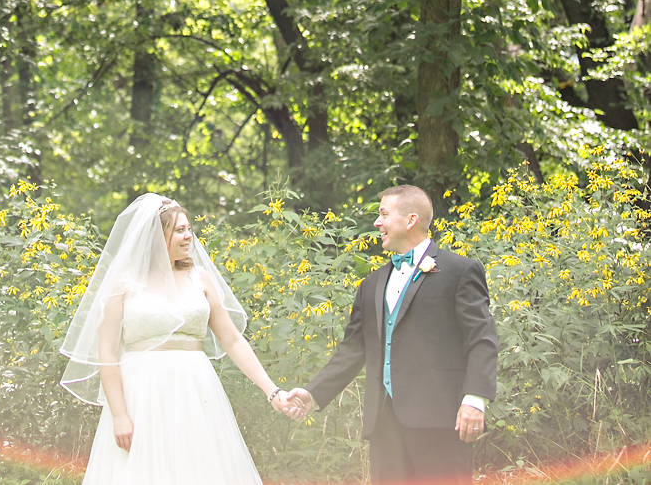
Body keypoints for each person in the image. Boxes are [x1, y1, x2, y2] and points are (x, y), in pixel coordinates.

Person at [61, 192, 288, 484]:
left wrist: (272, 391)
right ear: (157, 235)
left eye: (189, 229)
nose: (189, 236)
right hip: (141, 395)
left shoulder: (200, 279)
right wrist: (119, 415)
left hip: (196, 391)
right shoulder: (124, 283)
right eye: (180, 230)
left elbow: (232, 340)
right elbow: (107, 354)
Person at [282, 184, 498, 483]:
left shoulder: (460, 271)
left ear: (410, 220)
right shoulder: (371, 284)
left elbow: (482, 339)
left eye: (384, 214)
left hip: (440, 418)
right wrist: (313, 394)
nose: (377, 222)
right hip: (384, 422)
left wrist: (474, 399)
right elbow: (353, 349)